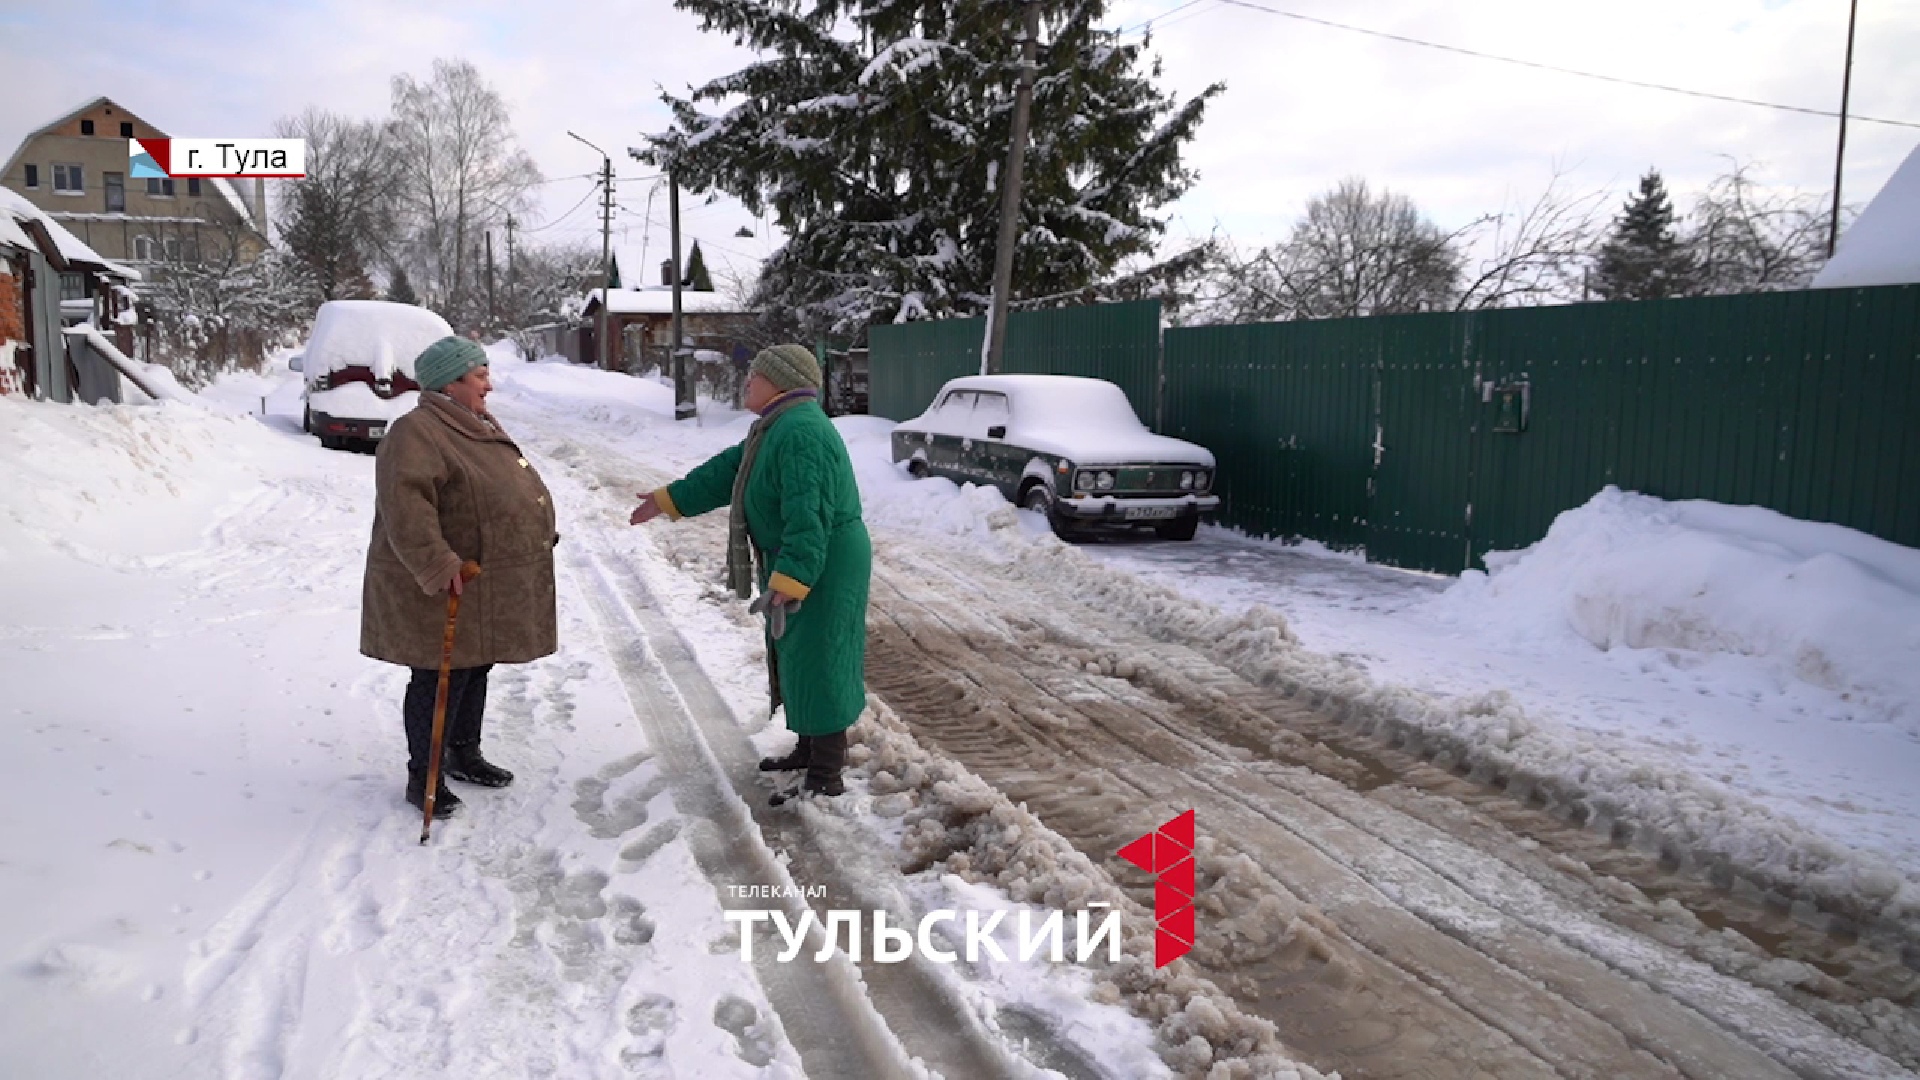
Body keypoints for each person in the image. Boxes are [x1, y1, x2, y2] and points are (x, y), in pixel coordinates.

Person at [630, 344, 870, 802]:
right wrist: (669, 499)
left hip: (821, 560)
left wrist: (792, 576)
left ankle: (826, 774)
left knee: (822, 657)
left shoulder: (802, 433)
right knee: (798, 653)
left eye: (754, 375)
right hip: (802, 556)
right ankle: (808, 748)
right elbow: (728, 472)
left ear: (780, 381)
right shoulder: (777, 427)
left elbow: (809, 512)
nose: (746, 382)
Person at [360, 337, 559, 818]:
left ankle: (463, 753)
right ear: (451, 381)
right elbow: (406, 507)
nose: (489, 385)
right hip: (444, 580)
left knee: (475, 663)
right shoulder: (416, 432)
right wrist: (437, 563)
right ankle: (423, 776)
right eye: (480, 375)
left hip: (482, 578)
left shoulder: (469, 422)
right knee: (438, 675)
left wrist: (529, 532)